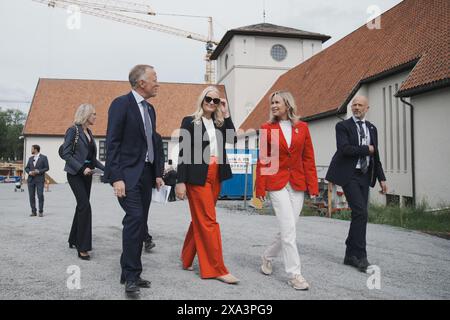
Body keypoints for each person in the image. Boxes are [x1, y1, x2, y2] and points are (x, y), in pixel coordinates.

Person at [104, 64, 164, 296]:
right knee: (135, 219)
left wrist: (157, 173)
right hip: (127, 176)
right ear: (141, 83)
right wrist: (117, 177)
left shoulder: (150, 109)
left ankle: (129, 271)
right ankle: (131, 275)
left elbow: (153, 143)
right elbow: (112, 143)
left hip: (146, 175)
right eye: (154, 79)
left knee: (140, 223)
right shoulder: (121, 104)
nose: (158, 83)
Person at [175, 86, 239, 285]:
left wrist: (227, 114)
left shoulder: (220, 123)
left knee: (200, 219)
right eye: (208, 99)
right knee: (209, 221)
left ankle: (186, 259)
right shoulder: (189, 121)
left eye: (216, 100)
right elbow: (184, 153)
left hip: (216, 175)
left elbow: (233, 139)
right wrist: (180, 181)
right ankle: (216, 268)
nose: (212, 103)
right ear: (202, 99)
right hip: (197, 177)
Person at [255, 91, 318, 290]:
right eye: (271, 102)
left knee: (289, 227)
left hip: (297, 182)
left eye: (277, 102)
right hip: (277, 182)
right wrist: (260, 187)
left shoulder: (302, 127)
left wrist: (313, 185)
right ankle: (295, 275)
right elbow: (264, 159)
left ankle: (267, 256)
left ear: (287, 105)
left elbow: (308, 158)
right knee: (289, 229)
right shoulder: (267, 128)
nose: (273, 105)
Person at [325, 95, 388, 272]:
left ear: (367, 108)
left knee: (360, 214)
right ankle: (360, 256)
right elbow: (344, 149)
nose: (356, 107)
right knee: (360, 211)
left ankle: (349, 254)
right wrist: (366, 149)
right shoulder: (343, 126)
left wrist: (382, 178)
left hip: (365, 174)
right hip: (349, 174)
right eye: (354, 105)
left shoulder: (372, 128)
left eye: (360, 105)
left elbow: (376, 156)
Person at [61, 103, 105, 261]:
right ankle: (83, 247)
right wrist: (81, 168)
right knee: (85, 206)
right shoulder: (73, 130)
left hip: (88, 174)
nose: (95, 116)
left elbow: (92, 158)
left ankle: (73, 239)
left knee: (81, 205)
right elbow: (66, 154)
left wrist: (106, 169)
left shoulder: (89, 132)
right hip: (75, 174)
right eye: (93, 114)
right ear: (85, 115)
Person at [24, 145, 49, 217]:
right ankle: (33, 212)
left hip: (40, 179)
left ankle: (40, 211)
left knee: (40, 195)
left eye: (32, 149)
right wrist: (29, 172)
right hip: (31, 180)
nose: (31, 150)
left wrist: (38, 171)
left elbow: (47, 168)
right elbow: (27, 168)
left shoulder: (44, 158)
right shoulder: (30, 158)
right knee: (31, 196)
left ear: (36, 149)